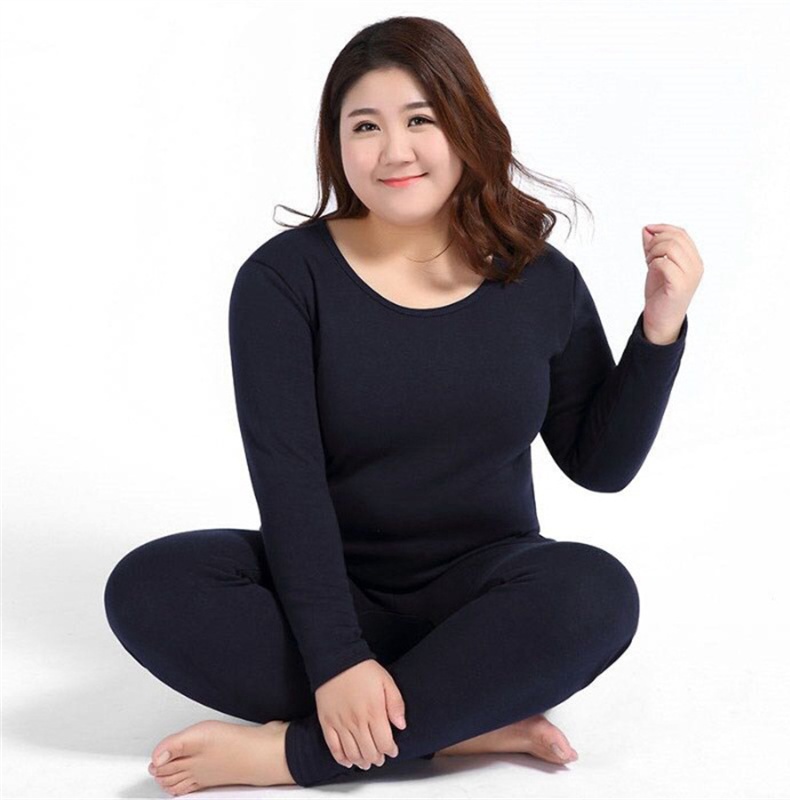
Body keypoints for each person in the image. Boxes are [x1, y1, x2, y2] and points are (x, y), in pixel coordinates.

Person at [103, 15, 704, 795]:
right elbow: (289, 485)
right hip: (330, 586)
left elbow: (600, 466)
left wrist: (660, 329)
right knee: (148, 586)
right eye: (366, 125)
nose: (394, 151)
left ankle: (309, 753)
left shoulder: (538, 278)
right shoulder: (283, 282)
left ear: (465, 124)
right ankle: (460, 720)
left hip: (483, 599)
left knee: (597, 593)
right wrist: (338, 659)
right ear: (336, 142)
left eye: (420, 119)